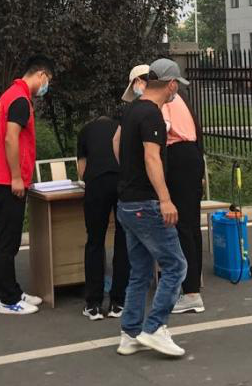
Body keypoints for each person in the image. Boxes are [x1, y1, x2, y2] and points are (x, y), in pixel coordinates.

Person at [113, 58, 189, 359]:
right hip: (147, 204)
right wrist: (165, 199)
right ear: (170, 84)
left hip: (127, 202)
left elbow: (116, 143)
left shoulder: (132, 109)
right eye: (177, 86)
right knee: (176, 265)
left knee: (141, 271)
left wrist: (127, 174)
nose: (176, 91)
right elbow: (152, 158)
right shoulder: (153, 115)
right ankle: (154, 327)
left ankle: (129, 334)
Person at [0, 56, 54, 316]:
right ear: (41, 75)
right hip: (6, 180)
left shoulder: (9, 95)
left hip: (0, 178)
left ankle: (14, 290)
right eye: (48, 81)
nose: (46, 87)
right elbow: (11, 139)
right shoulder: (21, 100)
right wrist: (16, 177)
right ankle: (8, 299)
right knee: (8, 241)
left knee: (9, 239)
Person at [74, 68, 137, 321]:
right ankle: (118, 303)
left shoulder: (85, 131)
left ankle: (93, 304)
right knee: (122, 240)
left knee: (95, 241)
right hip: (121, 183)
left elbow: (81, 171)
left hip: (97, 184)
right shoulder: (122, 127)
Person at [163, 87, 205, 314]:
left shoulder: (165, 100)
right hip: (192, 156)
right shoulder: (182, 100)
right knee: (192, 226)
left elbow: (163, 129)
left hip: (178, 157)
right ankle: (194, 282)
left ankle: (190, 293)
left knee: (182, 228)